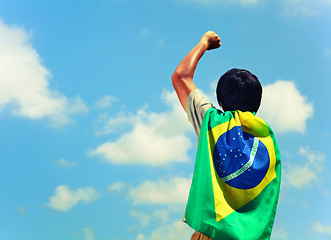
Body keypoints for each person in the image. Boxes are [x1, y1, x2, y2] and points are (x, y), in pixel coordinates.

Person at [172, 31, 281, 240]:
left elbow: (180, 76)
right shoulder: (267, 140)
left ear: (221, 101)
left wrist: (204, 42)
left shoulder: (211, 122)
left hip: (211, 233)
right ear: (257, 104)